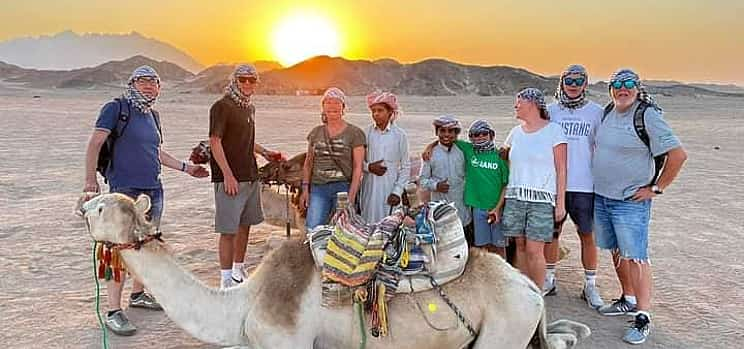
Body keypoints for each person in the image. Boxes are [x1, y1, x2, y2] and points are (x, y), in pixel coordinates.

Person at [82, 65, 209, 336]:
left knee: (145, 245)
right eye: (143, 80)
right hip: (123, 191)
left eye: (154, 82)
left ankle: (138, 295)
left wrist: (188, 168)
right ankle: (114, 311)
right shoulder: (116, 108)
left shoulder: (153, 115)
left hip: (153, 189)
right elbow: (94, 143)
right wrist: (90, 182)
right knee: (119, 250)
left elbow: (157, 152)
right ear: (132, 83)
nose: (150, 86)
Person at [593, 68, 687, 344]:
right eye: (617, 84)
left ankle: (643, 316)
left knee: (636, 256)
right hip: (603, 197)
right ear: (610, 89)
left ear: (638, 87)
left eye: (629, 84)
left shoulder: (647, 115)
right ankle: (627, 298)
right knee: (616, 250)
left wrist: (656, 188)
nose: (623, 89)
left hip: (630, 202)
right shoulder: (608, 112)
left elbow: (678, 155)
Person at [209, 64, 283, 289]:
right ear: (235, 80)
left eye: (252, 80)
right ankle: (225, 279)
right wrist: (227, 175)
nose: (248, 84)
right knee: (228, 229)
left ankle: (238, 269)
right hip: (230, 178)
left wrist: (265, 153)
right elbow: (215, 141)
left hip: (250, 175)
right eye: (243, 80)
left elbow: (247, 140)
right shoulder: (222, 107)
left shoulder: (249, 108)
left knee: (245, 225)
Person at [542, 64, 605, 310]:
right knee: (552, 233)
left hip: (585, 184)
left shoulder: (596, 112)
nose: (574, 84)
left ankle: (590, 284)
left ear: (586, 84)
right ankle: (549, 279)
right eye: (569, 79)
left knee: (587, 234)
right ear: (562, 81)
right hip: (554, 184)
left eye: (579, 80)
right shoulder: (550, 111)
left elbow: (604, 147)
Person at [501, 88, 567, 289]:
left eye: (518, 102)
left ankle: (537, 293)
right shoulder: (515, 132)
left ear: (532, 104)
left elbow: (561, 169)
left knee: (534, 250)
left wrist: (560, 203)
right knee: (519, 246)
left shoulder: (554, 131)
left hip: (541, 200)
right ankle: (524, 291)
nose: (515, 106)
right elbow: (500, 157)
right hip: (515, 197)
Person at [299, 87, 366, 230]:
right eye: (328, 102)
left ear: (343, 107)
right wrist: (305, 190)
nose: (332, 105)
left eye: (337, 102)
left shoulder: (355, 133)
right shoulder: (315, 133)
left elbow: (358, 167)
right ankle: (315, 252)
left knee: (341, 230)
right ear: (323, 107)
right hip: (318, 188)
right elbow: (308, 163)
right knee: (313, 228)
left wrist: (351, 196)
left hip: (343, 187)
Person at [360, 91, 410, 223]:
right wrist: (369, 167)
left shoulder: (400, 135)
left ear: (390, 112)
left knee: (390, 226)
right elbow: (358, 161)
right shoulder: (366, 133)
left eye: (380, 110)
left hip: (390, 188)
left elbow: (405, 166)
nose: (376, 114)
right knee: (368, 223)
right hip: (370, 188)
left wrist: (397, 191)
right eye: (373, 111)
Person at [419, 115, 472, 231]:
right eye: (442, 131)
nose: (446, 135)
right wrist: (436, 185)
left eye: (450, 131)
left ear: (456, 133)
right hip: (440, 211)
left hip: (462, 210)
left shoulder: (462, 151)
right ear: (436, 132)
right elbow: (422, 181)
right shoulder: (430, 154)